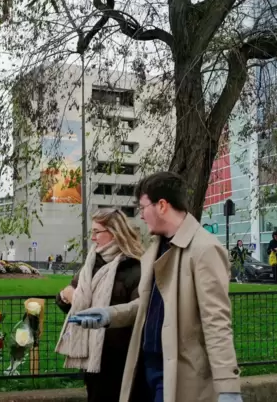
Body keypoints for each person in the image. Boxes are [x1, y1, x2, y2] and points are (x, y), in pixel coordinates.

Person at [73, 171, 241, 402]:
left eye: (143, 208)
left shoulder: (205, 249)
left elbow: (217, 321)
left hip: (179, 375)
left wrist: (227, 387)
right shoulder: (155, 249)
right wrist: (108, 315)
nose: (141, 216)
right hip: (145, 368)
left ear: (162, 205)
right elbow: (147, 305)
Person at [55, 208, 143, 402]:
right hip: (93, 357)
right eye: (92, 232)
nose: (93, 238)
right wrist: (65, 296)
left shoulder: (134, 266)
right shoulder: (91, 263)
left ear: (114, 232)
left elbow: (140, 312)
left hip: (121, 356)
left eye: (97, 232)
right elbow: (68, 303)